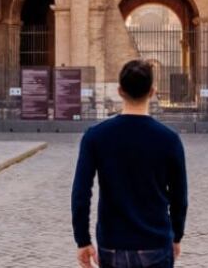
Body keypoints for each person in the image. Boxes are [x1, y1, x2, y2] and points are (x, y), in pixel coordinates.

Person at [72, 60, 188, 268]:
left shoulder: (96, 137)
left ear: (120, 91)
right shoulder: (169, 139)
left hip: (112, 243)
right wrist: (177, 236)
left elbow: (81, 193)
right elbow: (179, 197)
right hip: (155, 242)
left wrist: (83, 240)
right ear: (152, 92)